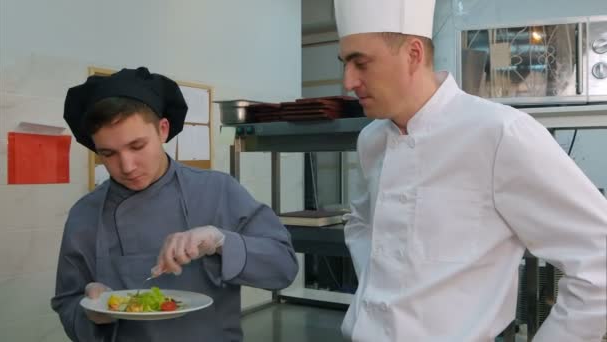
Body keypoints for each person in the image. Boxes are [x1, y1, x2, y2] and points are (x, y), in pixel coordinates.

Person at [334, 1, 607, 341]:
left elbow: (600, 258)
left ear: (413, 54)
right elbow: (362, 224)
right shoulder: (371, 140)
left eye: (361, 62)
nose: (348, 81)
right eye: (345, 63)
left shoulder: (499, 133)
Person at [51, 67, 298, 342]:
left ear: (163, 130)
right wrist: (90, 312)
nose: (127, 166)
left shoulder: (217, 191)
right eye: (108, 154)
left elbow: (284, 268)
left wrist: (222, 242)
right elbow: (67, 302)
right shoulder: (85, 214)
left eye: (137, 146)